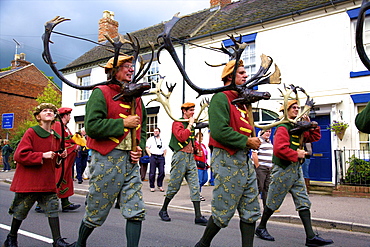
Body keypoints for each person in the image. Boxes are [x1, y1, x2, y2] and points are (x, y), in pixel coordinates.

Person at [74, 55, 147, 247]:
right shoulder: (101, 92)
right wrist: (122, 123)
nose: (131, 70)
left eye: (132, 66)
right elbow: (92, 127)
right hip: (107, 159)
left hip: (131, 162)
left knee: (136, 209)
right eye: (126, 67)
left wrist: (139, 146)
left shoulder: (137, 98)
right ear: (113, 71)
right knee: (96, 208)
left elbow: (143, 127)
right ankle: (80, 244)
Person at [195, 60, 262, 247]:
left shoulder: (241, 103)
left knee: (251, 209)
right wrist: (247, 141)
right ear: (229, 77)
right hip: (226, 159)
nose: (246, 75)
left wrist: (250, 142)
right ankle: (203, 244)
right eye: (241, 73)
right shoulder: (221, 98)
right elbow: (218, 131)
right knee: (223, 209)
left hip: (244, 160)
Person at [255, 100, 334, 247]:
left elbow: (314, 137)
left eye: (298, 108)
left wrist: (311, 125)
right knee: (273, 201)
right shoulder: (283, 127)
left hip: (296, 169)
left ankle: (310, 237)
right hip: (283, 169)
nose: (297, 110)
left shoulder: (296, 126)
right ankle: (261, 227)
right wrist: (296, 154)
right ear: (286, 110)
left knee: (303, 201)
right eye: (293, 108)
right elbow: (279, 149)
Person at [2, 103, 74, 247]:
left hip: (47, 181)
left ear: (55, 117)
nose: (49, 112)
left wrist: (60, 156)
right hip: (30, 181)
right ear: (38, 116)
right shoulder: (32, 132)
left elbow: (54, 162)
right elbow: (19, 155)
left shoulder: (56, 137)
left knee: (53, 208)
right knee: (21, 211)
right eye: (45, 111)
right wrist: (42, 155)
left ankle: (58, 241)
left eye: (52, 111)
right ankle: (11, 238)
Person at [158, 102, 208, 226]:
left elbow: (190, 139)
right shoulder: (177, 123)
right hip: (180, 157)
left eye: (193, 110)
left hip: (190, 158)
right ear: (184, 111)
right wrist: (190, 124)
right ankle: (163, 209)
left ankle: (198, 216)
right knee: (174, 186)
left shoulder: (188, 124)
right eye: (190, 110)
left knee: (195, 187)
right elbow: (182, 137)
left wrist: (196, 148)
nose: (193, 112)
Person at [53, 107, 81, 212]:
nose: (70, 117)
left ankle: (65, 203)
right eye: (69, 115)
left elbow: (69, 140)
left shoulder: (65, 127)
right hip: (60, 159)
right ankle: (42, 204)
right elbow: (58, 143)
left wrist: (77, 142)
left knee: (65, 179)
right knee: (57, 179)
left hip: (67, 159)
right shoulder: (57, 125)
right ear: (65, 116)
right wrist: (74, 147)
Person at [251, 129, 273, 208]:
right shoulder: (258, 140)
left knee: (267, 188)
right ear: (262, 132)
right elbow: (254, 154)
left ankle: (266, 207)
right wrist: (258, 166)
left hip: (269, 168)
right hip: (261, 168)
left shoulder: (269, 142)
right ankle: (253, 205)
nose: (268, 133)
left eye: (269, 132)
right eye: (266, 131)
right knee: (258, 187)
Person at [146, 128, 167, 192]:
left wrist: (164, 155)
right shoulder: (150, 139)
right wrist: (150, 155)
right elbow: (147, 148)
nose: (155, 132)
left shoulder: (162, 140)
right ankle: (152, 186)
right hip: (153, 156)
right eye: (154, 131)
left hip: (160, 157)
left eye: (157, 131)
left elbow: (165, 148)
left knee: (162, 172)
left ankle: (160, 185)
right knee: (152, 172)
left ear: (159, 132)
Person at [194, 132, 209, 201]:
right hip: (198, 165)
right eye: (199, 136)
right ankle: (198, 194)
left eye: (202, 136)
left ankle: (195, 190)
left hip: (204, 164)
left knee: (205, 179)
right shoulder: (195, 144)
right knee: (199, 180)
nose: (201, 138)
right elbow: (195, 153)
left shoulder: (203, 145)